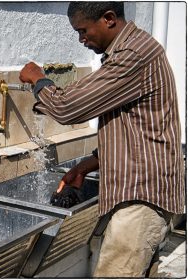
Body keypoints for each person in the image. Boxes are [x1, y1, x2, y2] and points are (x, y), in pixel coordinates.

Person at [19, 2, 185, 277]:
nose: (81, 39)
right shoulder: (130, 50)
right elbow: (133, 128)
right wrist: (87, 165)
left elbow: (67, 108)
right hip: (144, 193)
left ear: (108, 19)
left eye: (83, 31)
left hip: (141, 200)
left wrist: (39, 79)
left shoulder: (133, 56)